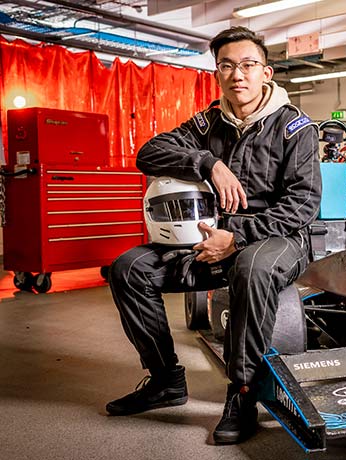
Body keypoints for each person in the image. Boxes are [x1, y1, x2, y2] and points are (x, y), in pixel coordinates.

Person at [105, 26, 321, 445]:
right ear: (217, 72)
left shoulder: (296, 128)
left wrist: (235, 236)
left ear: (266, 73)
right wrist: (208, 163)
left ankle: (242, 395)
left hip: (279, 239)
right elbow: (147, 153)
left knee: (251, 266)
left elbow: (302, 206)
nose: (237, 74)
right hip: (209, 236)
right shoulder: (207, 124)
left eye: (247, 65)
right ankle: (166, 381)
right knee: (129, 268)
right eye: (226, 65)